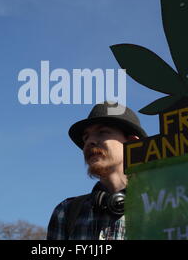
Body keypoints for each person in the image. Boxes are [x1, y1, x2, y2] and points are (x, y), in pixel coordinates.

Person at [47, 102, 147, 240]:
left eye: (102, 132)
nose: (90, 141)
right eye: (86, 137)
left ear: (132, 143)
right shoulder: (66, 211)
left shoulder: (165, 204)